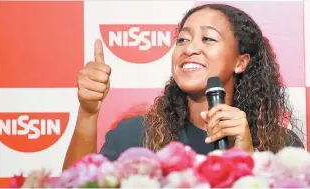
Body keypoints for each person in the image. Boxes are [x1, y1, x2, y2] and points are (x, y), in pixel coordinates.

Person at [62, 3, 304, 170]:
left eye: (208, 39)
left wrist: (246, 158)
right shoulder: (136, 135)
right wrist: (88, 113)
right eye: (182, 40)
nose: (189, 49)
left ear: (241, 62)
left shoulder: (282, 146)